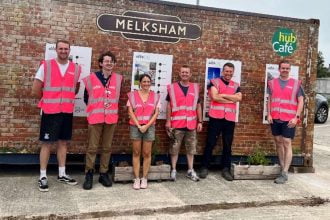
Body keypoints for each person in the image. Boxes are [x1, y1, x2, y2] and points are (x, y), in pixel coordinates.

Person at [31, 40, 81, 192]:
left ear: (69, 50)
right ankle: (43, 176)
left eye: (66, 49)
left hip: (66, 110)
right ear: (56, 50)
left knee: (63, 143)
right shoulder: (46, 65)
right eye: (61, 48)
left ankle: (62, 173)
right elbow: (35, 89)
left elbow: (75, 88)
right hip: (50, 111)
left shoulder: (76, 68)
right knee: (46, 143)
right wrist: (48, 101)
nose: (63, 51)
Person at [81, 51, 123, 190]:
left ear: (114, 64)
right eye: (106, 61)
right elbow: (86, 97)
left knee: (106, 148)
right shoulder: (91, 78)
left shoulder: (118, 79)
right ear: (100, 63)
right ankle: (89, 173)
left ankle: (103, 173)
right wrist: (96, 108)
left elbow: (117, 97)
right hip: (95, 117)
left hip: (110, 118)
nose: (109, 63)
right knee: (92, 148)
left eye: (111, 61)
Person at [199, 62, 242, 181]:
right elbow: (215, 97)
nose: (228, 73)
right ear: (223, 72)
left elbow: (239, 98)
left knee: (227, 145)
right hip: (216, 117)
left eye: (230, 71)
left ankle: (225, 169)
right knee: (210, 142)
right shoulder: (214, 82)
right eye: (226, 71)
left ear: (233, 72)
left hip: (229, 119)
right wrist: (230, 99)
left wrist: (222, 95)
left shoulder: (236, 85)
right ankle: (204, 167)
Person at [267, 60, 304, 184]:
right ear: (279, 69)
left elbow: (301, 101)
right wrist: (269, 114)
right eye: (283, 68)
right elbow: (269, 100)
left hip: (289, 119)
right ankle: (282, 168)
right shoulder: (272, 83)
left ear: (290, 70)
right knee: (278, 142)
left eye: (287, 68)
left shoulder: (296, 84)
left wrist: (296, 117)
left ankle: (285, 172)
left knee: (287, 142)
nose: (285, 70)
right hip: (275, 117)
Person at [165, 65, 203, 182]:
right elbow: (168, 106)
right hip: (177, 123)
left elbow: (198, 106)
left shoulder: (195, 88)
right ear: (179, 74)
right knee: (174, 148)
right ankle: (174, 170)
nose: (185, 74)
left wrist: (200, 121)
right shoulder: (172, 88)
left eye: (187, 72)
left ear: (190, 74)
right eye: (183, 72)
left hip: (191, 124)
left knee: (191, 149)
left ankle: (190, 170)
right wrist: (168, 121)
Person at [127, 74, 160, 190]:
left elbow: (156, 113)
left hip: (149, 127)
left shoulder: (156, 96)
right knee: (136, 153)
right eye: (144, 81)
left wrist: (146, 126)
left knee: (147, 153)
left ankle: (144, 178)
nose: (146, 83)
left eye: (148, 81)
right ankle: (136, 178)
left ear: (151, 83)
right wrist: (138, 125)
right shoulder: (132, 95)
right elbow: (130, 112)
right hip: (135, 126)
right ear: (140, 83)